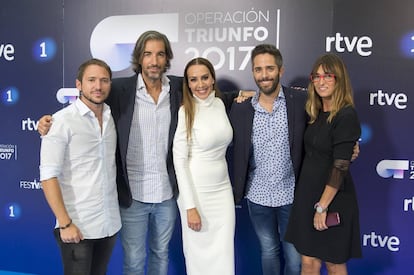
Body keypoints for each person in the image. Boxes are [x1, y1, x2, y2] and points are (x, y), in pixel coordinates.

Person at [38, 30, 183, 275]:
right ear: (139, 58)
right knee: (134, 261)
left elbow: (208, 89)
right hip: (131, 197)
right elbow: (84, 103)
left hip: (165, 195)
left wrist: (241, 95)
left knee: (161, 255)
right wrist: (46, 124)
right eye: (147, 54)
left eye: (160, 54)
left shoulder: (179, 87)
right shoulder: (119, 89)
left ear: (167, 57)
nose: (154, 60)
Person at [39, 58, 121, 275]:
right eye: (91, 80)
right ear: (78, 85)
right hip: (77, 226)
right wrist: (65, 224)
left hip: (108, 223)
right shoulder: (60, 122)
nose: (98, 86)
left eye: (104, 80)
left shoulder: (112, 117)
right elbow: (48, 177)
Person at [229, 44, 305, 275]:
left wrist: (350, 144)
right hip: (257, 196)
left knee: (294, 258)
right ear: (253, 72)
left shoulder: (300, 101)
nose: (264, 75)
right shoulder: (241, 109)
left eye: (270, 68)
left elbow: (329, 124)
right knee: (269, 251)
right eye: (258, 69)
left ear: (281, 71)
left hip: (291, 194)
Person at [285, 53, 362, 274]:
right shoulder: (314, 112)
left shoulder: (346, 115)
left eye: (328, 76)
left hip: (332, 199)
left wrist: (322, 206)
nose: (321, 81)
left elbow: (340, 166)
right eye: (316, 76)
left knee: (333, 262)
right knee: (308, 262)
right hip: (306, 196)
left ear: (339, 79)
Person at [173, 57, 235, 274]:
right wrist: (190, 207)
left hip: (223, 192)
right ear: (187, 83)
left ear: (212, 79)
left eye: (205, 77)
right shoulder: (185, 112)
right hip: (196, 194)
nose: (200, 84)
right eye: (193, 79)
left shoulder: (219, 103)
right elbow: (179, 161)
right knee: (198, 256)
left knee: (224, 254)